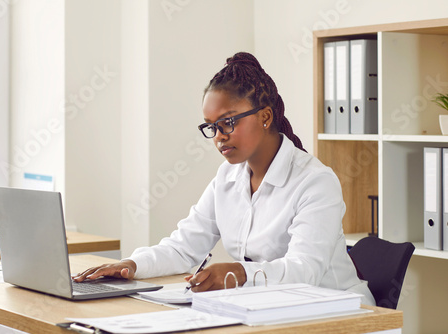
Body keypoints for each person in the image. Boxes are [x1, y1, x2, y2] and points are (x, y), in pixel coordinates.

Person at [73, 51, 375, 305]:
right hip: (268, 308)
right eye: (211, 126)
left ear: (265, 116)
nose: (218, 137)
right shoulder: (228, 177)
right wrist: (131, 266)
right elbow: (183, 247)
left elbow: (304, 270)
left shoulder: (315, 182)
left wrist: (240, 273)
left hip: (336, 310)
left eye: (228, 122)